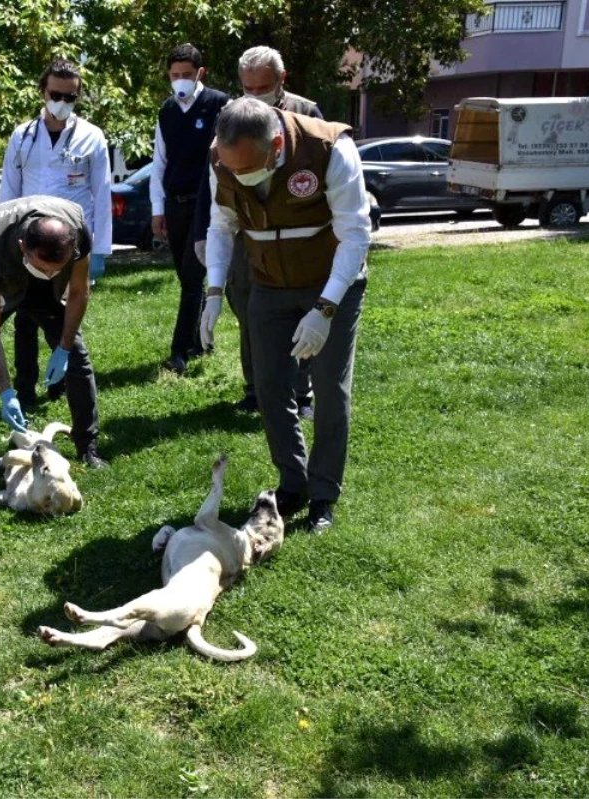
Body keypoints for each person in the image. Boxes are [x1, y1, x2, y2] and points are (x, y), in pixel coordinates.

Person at [200, 97, 370, 533]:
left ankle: (324, 494)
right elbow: (221, 227)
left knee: (330, 389)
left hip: (333, 279)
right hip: (268, 283)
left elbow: (355, 234)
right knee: (270, 386)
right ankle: (292, 483)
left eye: (250, 168)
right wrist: (215, 290)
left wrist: (325, 309)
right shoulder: (221, 158)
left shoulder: (330, 148)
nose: (241, 177)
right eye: (233, 168)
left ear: (277, 144)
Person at [0, 196, 107, 469]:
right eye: (42, 268)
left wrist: (63, 347)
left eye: (55, 270)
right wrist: (5, 391)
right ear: (23, 246)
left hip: (43, 290)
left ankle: (88, 447)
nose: (47, 273)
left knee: (77, 357)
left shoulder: (77, 232)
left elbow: (78, 292)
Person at [194, 46, 323, 415]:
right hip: (247, 235)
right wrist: (213, 277)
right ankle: (257, 391)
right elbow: (217, 187)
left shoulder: (308, 113)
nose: (255, 96)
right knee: (251, 309)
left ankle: (302, 392)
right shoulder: (231, 118)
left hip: (299, 233)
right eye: (247, 88)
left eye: (263, 87)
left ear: (282, 80)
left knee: (303, 312)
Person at [0, 58, 112, 410]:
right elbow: (8, 189)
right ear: (42, 92)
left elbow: (103, 192)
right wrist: (4, 242)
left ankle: (60, 381)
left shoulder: (91, 137)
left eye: (71, 96)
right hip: (27, 240)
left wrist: (101, 250)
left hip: (71, 242)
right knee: (24, 321)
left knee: (64, 314)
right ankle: (25, 387)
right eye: (56, 94)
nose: (62, 102)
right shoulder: (23, 136)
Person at [149, 43, 230, 375]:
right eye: (174, 75)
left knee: (192, 278)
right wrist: (158, 209)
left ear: (201, 73)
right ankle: (200, 340)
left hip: (207, 205)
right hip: (175, 204)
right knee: (186, 277)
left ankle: (179, 351)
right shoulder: (167, 111)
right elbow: (159, 163)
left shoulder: (220, 105)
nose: (180, 80)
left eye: (186, 74)